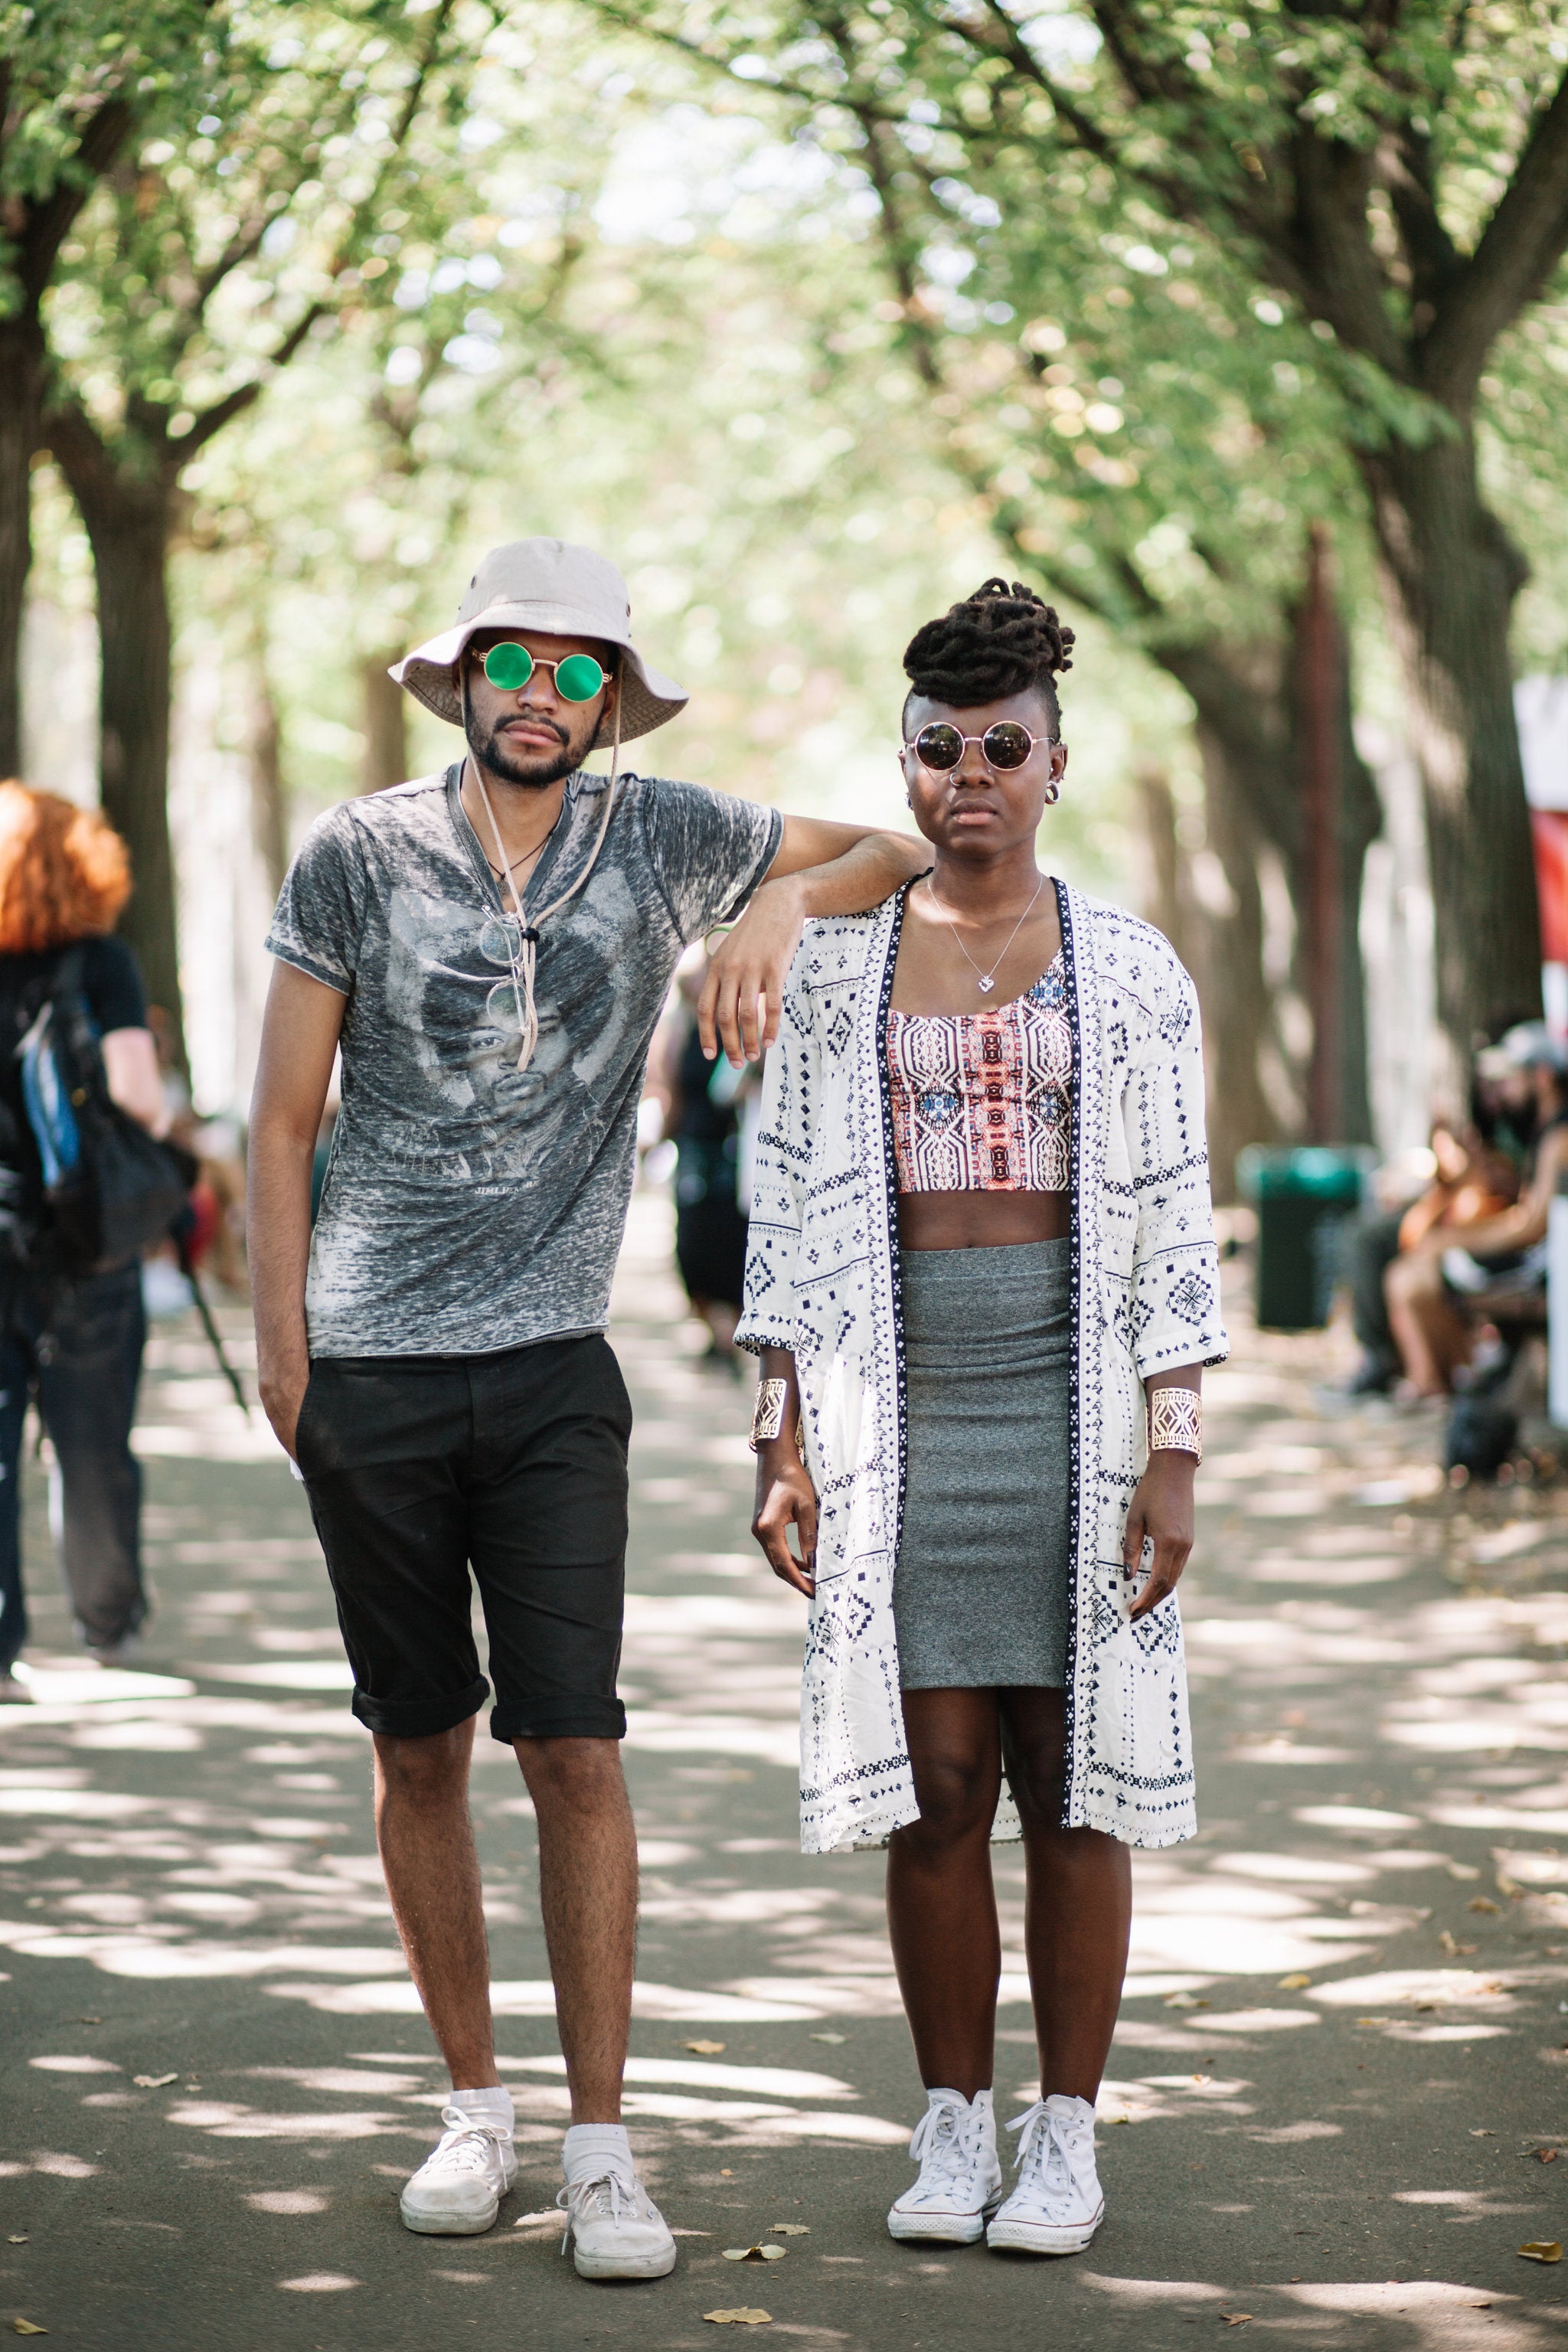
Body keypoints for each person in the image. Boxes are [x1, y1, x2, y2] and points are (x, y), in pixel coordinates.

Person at [247, 538, 930, 2278]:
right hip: (369, 1366)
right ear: (463, 675)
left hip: (554, 1369)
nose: (539, 696)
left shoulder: (666, 834)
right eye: (512, 664)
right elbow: (276, 1121)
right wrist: (281, 1348)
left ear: (606, 697)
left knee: (574, 1742)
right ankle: (471, 2100)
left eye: (574, 671)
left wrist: (776, 901)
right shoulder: (357, 851)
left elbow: (901, 841)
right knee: (417, 1743)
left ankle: (601, 2143)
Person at [741, 581, 1227, 2258]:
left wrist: (1174, 1448)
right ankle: (951, 2128)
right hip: (902, 1398)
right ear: (908, 763)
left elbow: (1174, 1211)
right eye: (938, 752)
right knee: (938, 1782)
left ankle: (1065, 2137)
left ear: (1055, 762)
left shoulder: (1132, 970)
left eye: (1000, 750)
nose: (970, 778)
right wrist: (781, 1431)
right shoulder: (837, 971)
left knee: (1067, 1778)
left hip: (1078, 1395)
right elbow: (790, 1207)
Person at [0, 785, 169, 1703]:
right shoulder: (101, 963)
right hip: (85, 1235)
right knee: (93, 1440)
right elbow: (136, 1091)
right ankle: (105, 1622)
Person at [1384, 1024, 1568, 1396]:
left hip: (1541, 1267)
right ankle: (1444, 1382)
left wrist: (1449, 1240)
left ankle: (1437, 1384)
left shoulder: (1559, 1139)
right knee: (1410, 1271)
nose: (1502, 1092)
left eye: (1512, 1080)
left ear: (1544, 1077)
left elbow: (1532, 1226)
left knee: (1410, 1279)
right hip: (1534, 1259)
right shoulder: (1542, 1134)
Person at [656, 946, 752, 1366]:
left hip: (732, 1148)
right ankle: (713, 1326)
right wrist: (661, 1140)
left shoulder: (743, 1026)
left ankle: (729, 1332)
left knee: (731, 1239)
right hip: (694, 1149)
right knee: (692, 1241)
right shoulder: (683, 1029)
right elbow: (671, 1087)